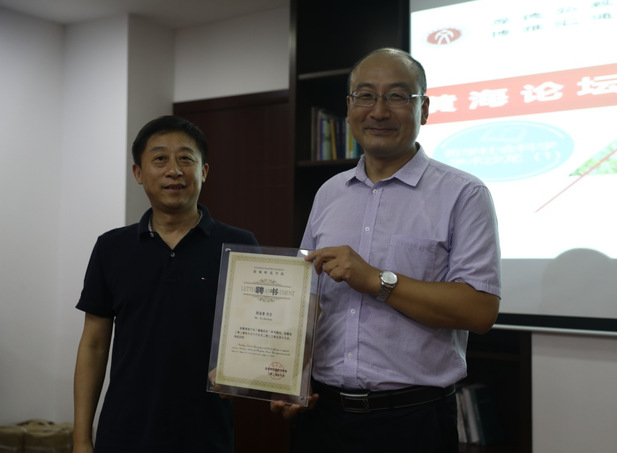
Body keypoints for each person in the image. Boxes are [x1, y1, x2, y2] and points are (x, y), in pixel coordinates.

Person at [271, 48, 501, 452]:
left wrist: (376, 280)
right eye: (365, 96)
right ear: (349, 108)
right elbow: (306, 297)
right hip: (323, 417)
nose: (378, 111)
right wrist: (289, 378)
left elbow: (480, 311)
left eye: (396, 96)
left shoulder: (464, 194)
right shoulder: (329, 193)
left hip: (413, 421)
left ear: (423, 109)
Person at [73, 115, 258, 453]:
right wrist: (81, 438)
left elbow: (258, 332)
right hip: (123, 435)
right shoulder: (111, 247)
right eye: (160, 159)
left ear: (204, 171)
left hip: (206, 435)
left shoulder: (240, 245)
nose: (174, 170)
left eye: (186, 159)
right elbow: (94, 345)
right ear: (138, 173)